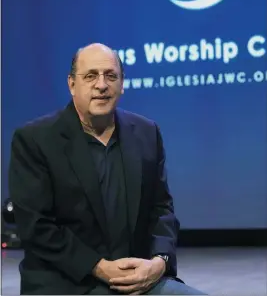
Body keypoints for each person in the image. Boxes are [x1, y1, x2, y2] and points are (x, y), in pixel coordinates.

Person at [9, 43, 206, 295]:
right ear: (72, 84)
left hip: (139, 279)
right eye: (90, 76)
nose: (101, 85)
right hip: (68, 283)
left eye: (110, 76)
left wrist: (160, 262)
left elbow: (161, 209)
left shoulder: (146, 133)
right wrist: (99, 267)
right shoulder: (35, 140)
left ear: (122, 84)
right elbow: (37, 227)